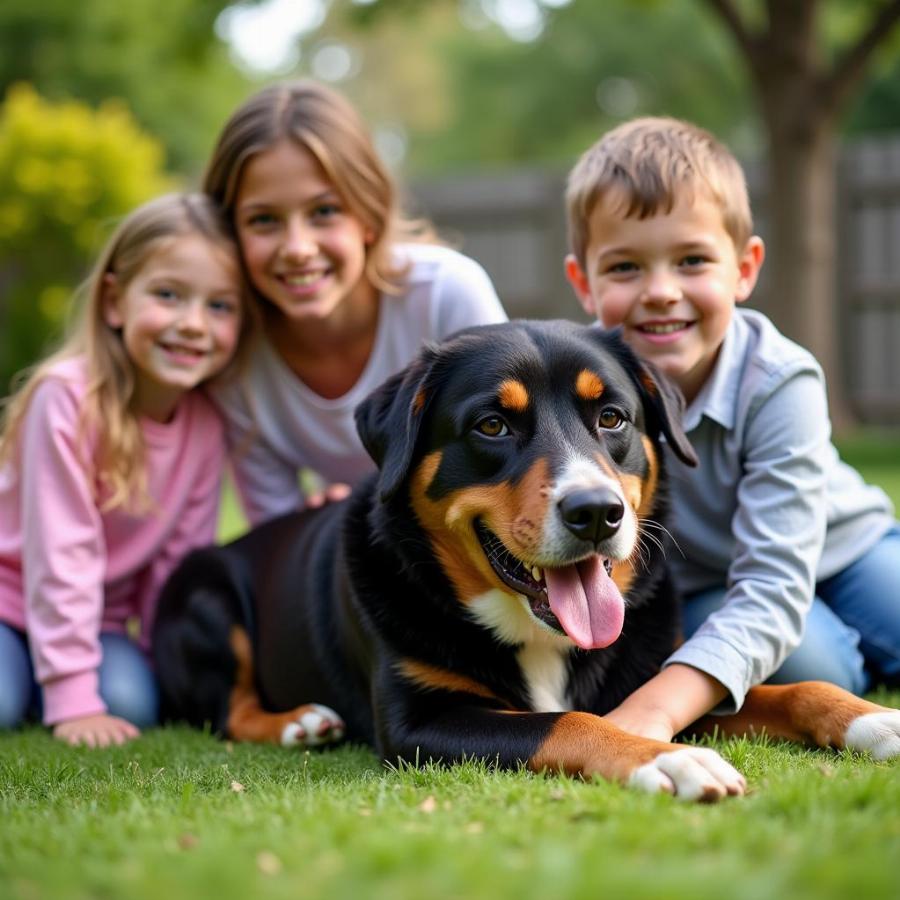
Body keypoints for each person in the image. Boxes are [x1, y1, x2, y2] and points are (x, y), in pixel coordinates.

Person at [563, 116, 900, 742]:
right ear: (584, 282)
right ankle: (845, 648)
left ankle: (849, 632)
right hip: (708, 584)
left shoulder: (779, 377)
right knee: (815, 664)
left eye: (692, 260)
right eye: (626, 268)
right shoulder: (581, 388)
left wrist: (655, 712)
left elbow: (776, 577)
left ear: (744, 269)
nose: (662, 292)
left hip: (841, 547)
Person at [0, 193, 253, 747]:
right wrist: (72, 697)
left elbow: (174, 565)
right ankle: (43, 683)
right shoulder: (65, 399)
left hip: (98, 623)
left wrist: (165, 662)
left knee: (133, 703)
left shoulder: (205, 425)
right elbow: (57, 555)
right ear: (115, 301)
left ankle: (49, 679)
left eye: (219, 306)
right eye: (168, 295)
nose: (192, 324)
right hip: (10, 600)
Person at [203, 80, 507, 526]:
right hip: (356, 545)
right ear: (230, 233)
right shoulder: (237, 359)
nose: (297, 247)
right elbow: (276, 529)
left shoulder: (446, 292)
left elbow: (517, 443)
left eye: (324, 211)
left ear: (367, 213)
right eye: (263, 220)